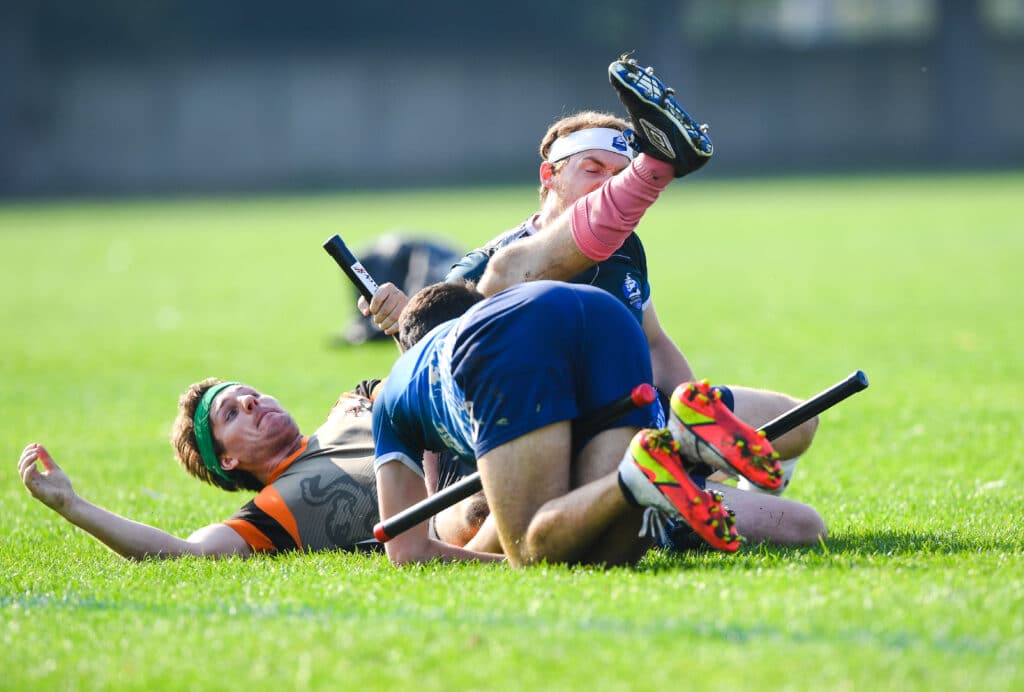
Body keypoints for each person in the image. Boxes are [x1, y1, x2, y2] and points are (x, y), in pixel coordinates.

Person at [374, 279, 799, 568]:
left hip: (509, 340)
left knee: (532, 553)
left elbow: (407, 552)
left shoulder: (394, 393)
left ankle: (638, 475)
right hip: (606, 313)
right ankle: (681, 443)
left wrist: (511, 565)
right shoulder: (474, 337)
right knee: (604, 546)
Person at [17, 380, 382, 560]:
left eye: (249, 393)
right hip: (439, 511)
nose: (251, 401)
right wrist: (72, 505)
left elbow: (426, 377)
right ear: (227, 461)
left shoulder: (354, 400)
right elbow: (182, 551)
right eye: (232, 413)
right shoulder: (270, 515)